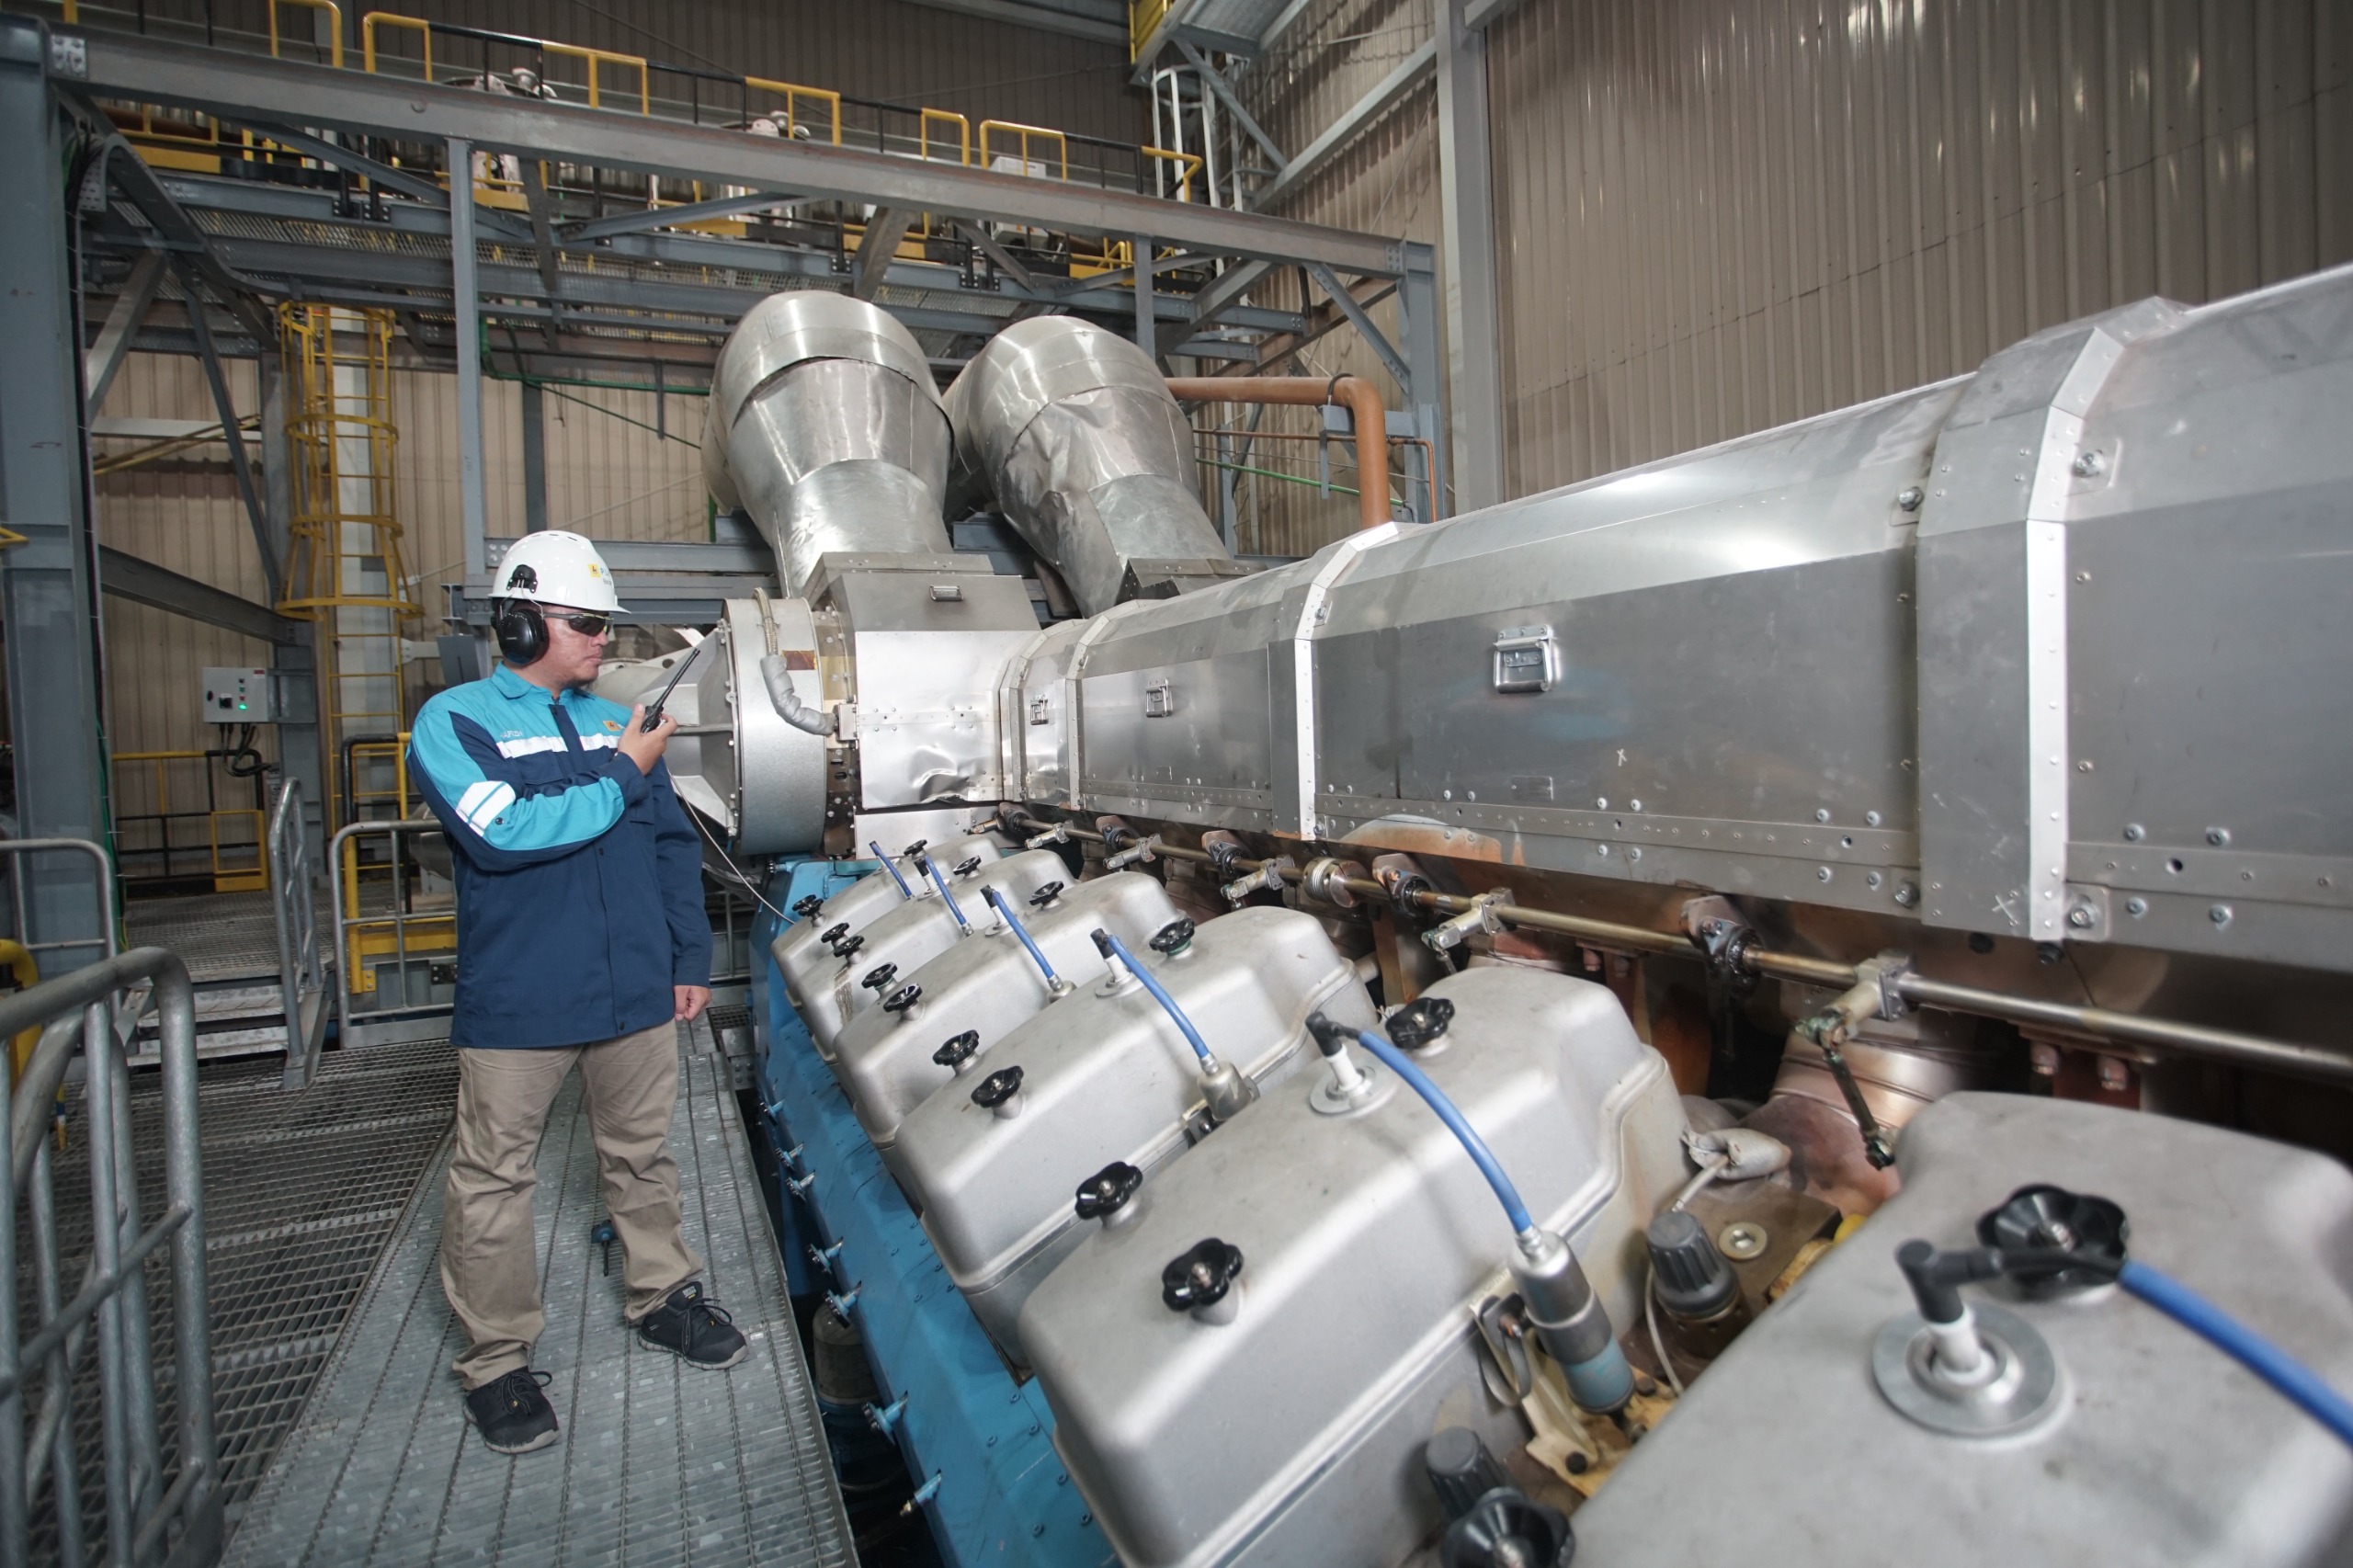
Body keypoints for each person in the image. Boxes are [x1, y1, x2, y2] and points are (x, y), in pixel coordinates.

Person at [406, 530, 745, 1457]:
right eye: (586, 623)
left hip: (633, 988)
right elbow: (505, 834)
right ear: (520, 623)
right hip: (522, 997)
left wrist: (687, 958)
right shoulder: (455, 722)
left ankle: (661, 1294)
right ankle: (496, 1360)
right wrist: (623, 769)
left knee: (642, 1155)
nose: (604, 640)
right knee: (494, 1179)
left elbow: (671, 845)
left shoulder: (614, 719)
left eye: (605, 624)